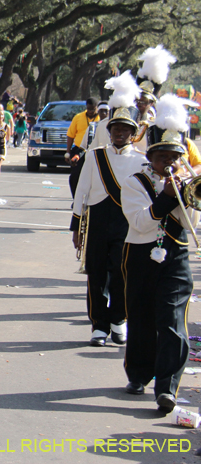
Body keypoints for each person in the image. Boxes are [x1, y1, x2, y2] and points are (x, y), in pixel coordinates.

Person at [120, 95, 194, 413]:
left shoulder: (186, 185)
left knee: (173, 322)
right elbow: (139, 223)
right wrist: (165, 198)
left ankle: (167, 388)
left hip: (176, 257)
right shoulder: (134, 183)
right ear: (151, 157)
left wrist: (183, 196)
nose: (169, 163)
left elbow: (191, 225)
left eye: (174, 157)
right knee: (141, 318)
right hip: (140, 256)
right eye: (163, 157)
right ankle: (139, 375)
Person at [70, 94, 144, 348]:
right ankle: (99, 326)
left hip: (127, 222)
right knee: (97, 275)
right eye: (115, 128)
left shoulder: (142, 161)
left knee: (123, 273)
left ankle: (119, 320)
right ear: (109, 131)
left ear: (133, 133)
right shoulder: (95, 156)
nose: (119, 133)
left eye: (125, 129)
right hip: (98, 221)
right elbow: (82, 191)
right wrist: (76, 227)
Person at [65, 98, 100, 197]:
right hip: (80, 150)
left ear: (97, 108)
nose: (90, 111)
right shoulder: (78, 117)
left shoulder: (101, 118)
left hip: (96, 151)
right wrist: (68, 152)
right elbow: (70, 135)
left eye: (93, 109)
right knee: (75, 176)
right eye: (88, 109)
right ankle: (76, 199)